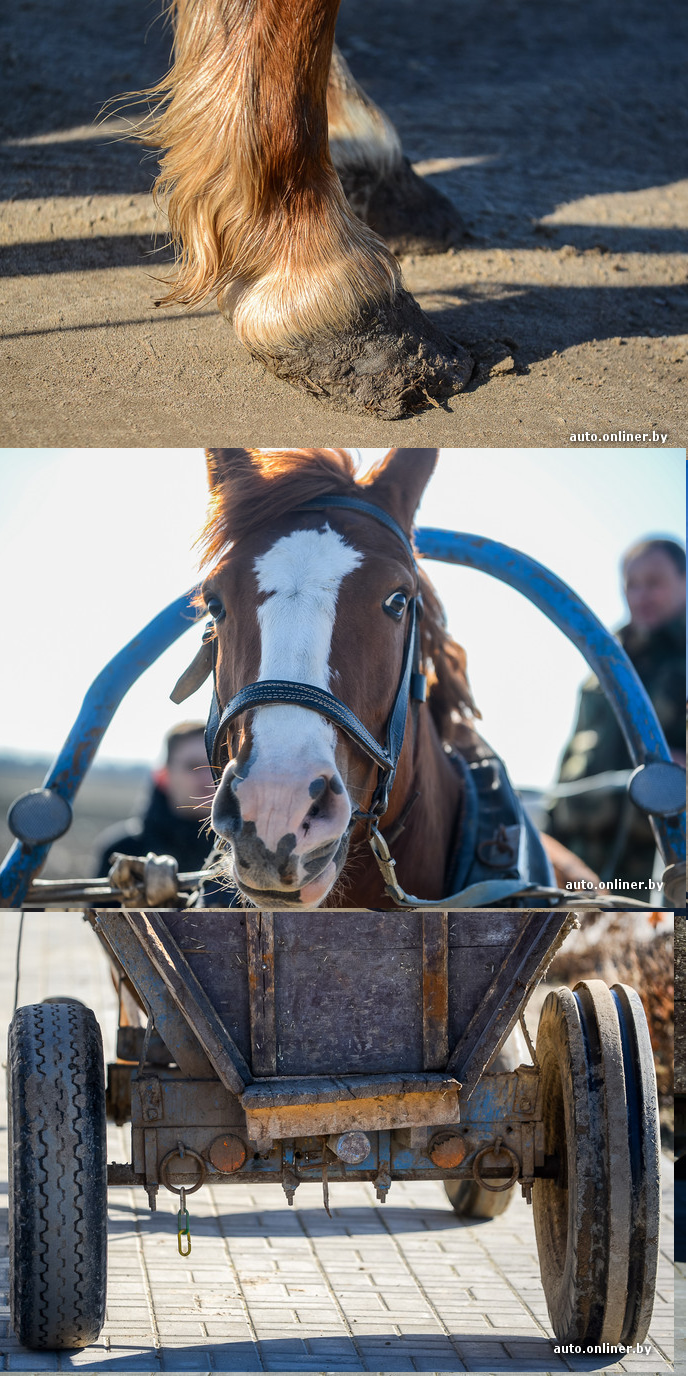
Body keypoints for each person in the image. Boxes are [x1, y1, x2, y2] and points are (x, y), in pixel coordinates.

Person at [544, 537, 686, 890]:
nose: (641, 595)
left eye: (654, 582)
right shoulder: (604, 665)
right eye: (632, 584)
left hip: (659, 865)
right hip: (578, 856)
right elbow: (573, 753)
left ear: (684, 582)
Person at [95, 722, 215, 878]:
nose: (208, 777)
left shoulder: (243, 851)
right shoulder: (124, 852)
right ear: (163, 775)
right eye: (193, 766)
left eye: (215, 765)